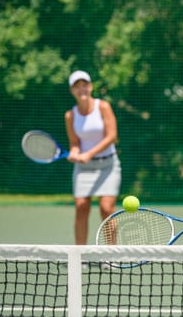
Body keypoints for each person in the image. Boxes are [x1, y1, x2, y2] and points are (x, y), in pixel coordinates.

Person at [65, 70, 121, 245]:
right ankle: (80, 255)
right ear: (72, 91)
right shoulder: (70, 115)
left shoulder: (103, 106)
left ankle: (111, 255)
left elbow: (112, 136)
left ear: (90, 87)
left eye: (84, 85)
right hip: (84, 169)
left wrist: (89, 153)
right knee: (81, 208)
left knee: (106, 208)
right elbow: (75, 142)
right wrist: (74, 152)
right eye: (77, 86)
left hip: (108, 165)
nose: (82, 89)